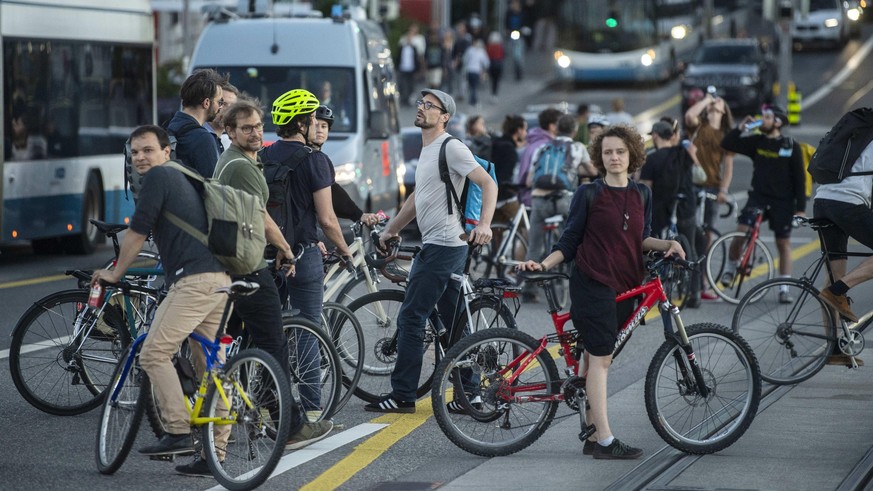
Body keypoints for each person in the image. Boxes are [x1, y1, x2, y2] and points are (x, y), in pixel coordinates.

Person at [518, 124, 684, 460]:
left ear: (632, 155)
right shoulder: (588, 194)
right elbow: (569, 240)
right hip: (592, 283)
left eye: (620, 151)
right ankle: (606, 441)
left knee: (593, 359)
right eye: (607, 152)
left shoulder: (642, 194)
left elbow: (640, 238)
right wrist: (544, 264)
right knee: (602, 359)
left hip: (626, 287)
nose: (614, 157)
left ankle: (592, 437)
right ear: (599, 157)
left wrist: (669, 243)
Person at [90, 125, 231, 460]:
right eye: (135, 152)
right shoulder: (183, 175)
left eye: (148, 150)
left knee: (153, 353)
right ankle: (215, 453)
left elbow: (137, 232)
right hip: (219, 278)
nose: (140, 157)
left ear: (166, 152)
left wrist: (115, 273)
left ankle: (178, 429)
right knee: (210, 365)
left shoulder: (158, 178)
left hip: (194, 282)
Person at [365, 89, 497, 413]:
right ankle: (470, 396)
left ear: (445, 116)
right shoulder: (429, 151)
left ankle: (403, 395)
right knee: (454, 326)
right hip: (441, 246)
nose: (421, 108)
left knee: (411, 316)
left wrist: (484, 224)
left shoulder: (451, 147)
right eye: (420, 103)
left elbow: (488, 183)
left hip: (445, 246)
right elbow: (416, 199)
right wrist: (391, 229)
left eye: (429, 106)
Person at [260, 89, 353, 421]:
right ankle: (312, 410)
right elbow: (327, 219)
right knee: (308, 331)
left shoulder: (263, 155)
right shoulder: (315, 160)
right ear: (301, 123)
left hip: (267, 254)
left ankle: (268, 402)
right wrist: (344, 251)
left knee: (270, 329)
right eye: (312, 117)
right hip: (303, 256)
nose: (316, 122)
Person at [720, 105, 806, 303]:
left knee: (783, 242)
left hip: (782, 200)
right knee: (741, 231)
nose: (762, 119)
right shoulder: (757, 141)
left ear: (777, 122)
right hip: (758, 196)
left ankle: (784, 288)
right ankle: (730, 269)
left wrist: (800, 208)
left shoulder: (791, 145)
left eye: (766, 117)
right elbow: (728, 143)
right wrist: (741, 128)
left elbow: (800, 180)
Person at [813, 139, 873, 365]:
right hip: (847, 203)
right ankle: (838, 292)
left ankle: (833, 349)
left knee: (835, 271)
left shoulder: (856, 135)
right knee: (835, 287)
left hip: (823, 200)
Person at [522, 114, 591, 302]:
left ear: (557, 128)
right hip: (564, 200)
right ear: (574, 130)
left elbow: (529, 180)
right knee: (572, 241)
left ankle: (529, 289)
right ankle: (576, 286)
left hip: (539, 200)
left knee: (534, 245)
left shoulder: (543, 148)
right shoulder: (577, 148)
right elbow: (592, 171)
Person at [639, 119, 704, 308]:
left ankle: (654, 288)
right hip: (686, 205)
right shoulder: (682, 153)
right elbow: (698, 169)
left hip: (661, 208)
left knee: (653, 244)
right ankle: (695, 293)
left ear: (656, 136)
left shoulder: (652, 158)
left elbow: (646, 188)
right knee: (689, 248)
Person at [311, 104, 380, 228]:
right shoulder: (315, 159)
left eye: (324, 126)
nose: (320, 130)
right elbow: (333, 193)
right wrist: (358, 215)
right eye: (316, 125)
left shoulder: (311, 155)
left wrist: (358, 214)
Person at [685, 90, 735, 246]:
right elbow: (689, 116)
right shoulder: (699, 126)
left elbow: (728, 167)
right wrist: (706, 100)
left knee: (709, 230)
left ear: (724, 110)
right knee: (688, 225)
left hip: (712, 185)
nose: (715, 102)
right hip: (691, 183)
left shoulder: (726, 136)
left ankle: (704, 267)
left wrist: (723, 190)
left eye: (718, 101)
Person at [165, 68, 227, 177]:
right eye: (220, 102)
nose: (220, 107)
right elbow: (213, 188)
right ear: (206, 103)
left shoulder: (169, 127)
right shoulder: (203, 139)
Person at [516, 107, 564, 207]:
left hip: (524, 195)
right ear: (552, 126)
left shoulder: (532, 143)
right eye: (560, 124)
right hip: (537, 197)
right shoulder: (547, 146)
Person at [490, 114, 527, 225]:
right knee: (523, 227)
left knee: (496, 232)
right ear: (519, 130)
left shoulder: (496, 143)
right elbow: (504, 177)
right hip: (503, 196)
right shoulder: (509, 149)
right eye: (525, 129)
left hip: (489, 195)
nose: (526, 133)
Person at [204, 82, 239, 153]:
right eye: (223, 104)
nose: (229, 110)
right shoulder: (199, 136)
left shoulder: (230, 141)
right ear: (208, 103)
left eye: (233, 106)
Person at [396, 26, 422, 106]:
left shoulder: (414, 48)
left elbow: (417, 59)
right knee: (403, 84)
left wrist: (418, 69)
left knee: (411, 84)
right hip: (403, 68)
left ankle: (409, 99)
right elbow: (398, 57)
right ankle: (403, 98)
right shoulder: (402, 47)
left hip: (412, 68)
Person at [462, 38, 489, 107]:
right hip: (476, 71)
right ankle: (473, 101)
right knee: (474, 87)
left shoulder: (469, 50)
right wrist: (484, 70)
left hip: (469, 71)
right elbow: (486, 62)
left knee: (472, 87)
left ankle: (472, 100)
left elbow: (464, 60)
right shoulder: (481, 51)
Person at [485, 31, 505, 102]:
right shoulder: (500, 46)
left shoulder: (489, 46)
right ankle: (495, 94)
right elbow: (503, 55)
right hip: (498, 64)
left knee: (493, 80)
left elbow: (487, 55)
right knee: (496, 80)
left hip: (492, 64)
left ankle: (493, 94)